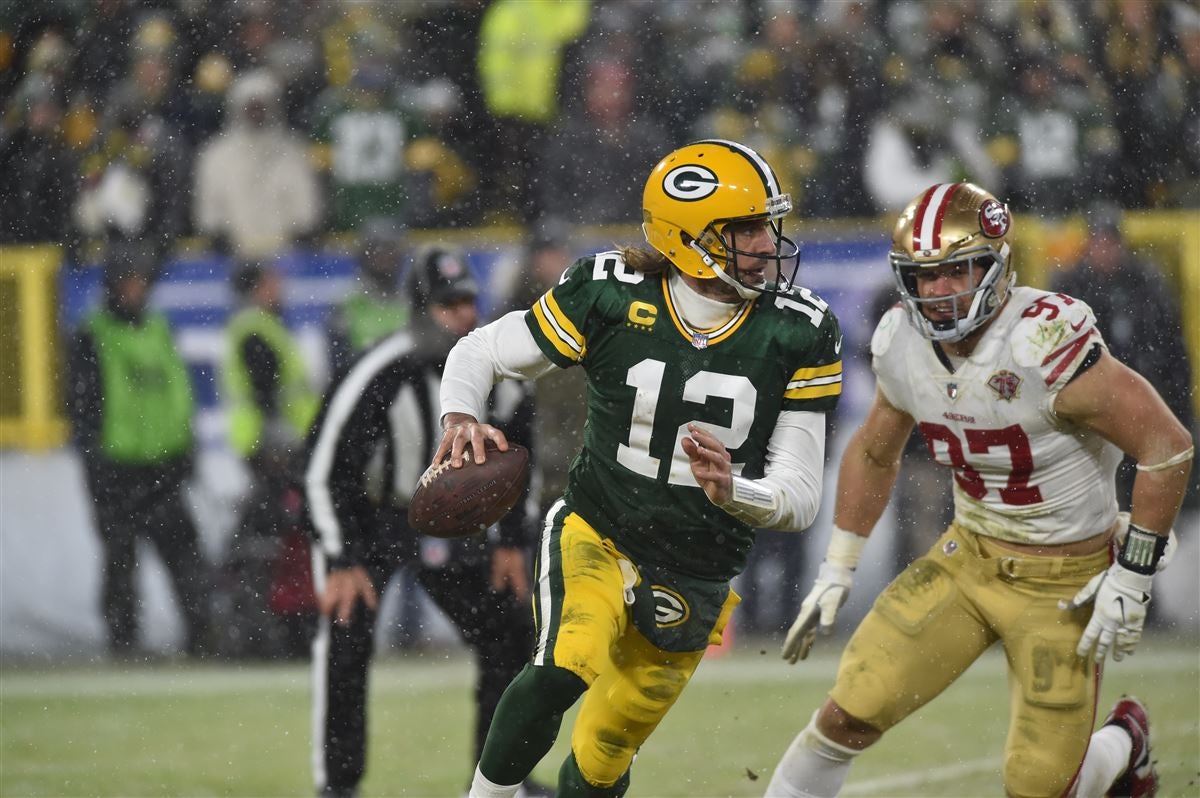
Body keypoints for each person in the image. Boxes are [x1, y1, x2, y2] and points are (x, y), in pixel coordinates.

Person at [433, 139, 843, 797]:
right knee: (562, 664)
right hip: (599, 528)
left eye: (768, 224)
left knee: (603, 755)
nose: (767, 242)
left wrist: (731, 488)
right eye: (744, 228)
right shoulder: (611, 293)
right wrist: (458, 413)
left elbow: (798, 497)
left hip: (699, 566)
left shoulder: (800, 330)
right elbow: (483, 350)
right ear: (687, 237)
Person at [766, 183, 1193, 798]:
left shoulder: (1042, 343)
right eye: (924, 275)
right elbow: (873, 450)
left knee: (1041, 787)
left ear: (995, 265)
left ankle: (1125, 740)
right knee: (849, 711)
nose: (939, 292)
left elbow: (1167, 445)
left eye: (956, 271)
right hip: (969, 559)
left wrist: (1133, 574)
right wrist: (839, 566)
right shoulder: (901, 343)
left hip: (1064, 582)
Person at [304, 248, 547, 798]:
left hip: (452, 522)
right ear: (419, 309)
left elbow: (523, 463)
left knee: (508, 635)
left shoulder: (501, 377)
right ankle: (337, 787)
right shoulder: (378, 371)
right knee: (345, 641)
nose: (463, 315)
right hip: (371, 518)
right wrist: (341, 555)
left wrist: (512, 542)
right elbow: (322, 468)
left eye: (468, 301)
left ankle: (500, 780)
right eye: (448, 304)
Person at [67, 240, 212, 658]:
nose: (138, 289)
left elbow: (178, 394)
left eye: (142, 281)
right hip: (117, 467)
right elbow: (84, 407)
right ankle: (123, 643)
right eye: (130, 281)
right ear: (113, 284)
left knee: (186, 557)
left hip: (163, 466)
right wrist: (95, 465)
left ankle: (203, 639)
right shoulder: (92, 335)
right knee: (120, 562)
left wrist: (186, 451)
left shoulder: (159, 327)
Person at [1052, 204, 1197, 511]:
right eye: (1099, 242)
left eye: (1110, 242)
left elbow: (1172, 346)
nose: (1105, 250)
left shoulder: (1146, 283)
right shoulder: (1070, 287)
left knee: (1146, 478)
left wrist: (1178, 401)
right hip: (1091, 402)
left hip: (1142, 394)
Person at [221, 262, 321, 658]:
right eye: (272, 282)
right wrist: (279, 450)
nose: (280, 287)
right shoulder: (257, 331)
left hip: (270, 452)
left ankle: (265, 625)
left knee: (268, 540)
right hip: (273, 454)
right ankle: (276, 627)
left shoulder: (258, 329)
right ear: (256, 288)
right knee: (278, 540)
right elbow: (269, 398)